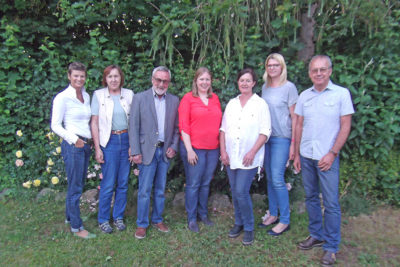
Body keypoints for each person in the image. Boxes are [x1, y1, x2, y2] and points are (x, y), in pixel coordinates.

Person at [293, 55, 354, 266]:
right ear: (310, 73)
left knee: (330, 203)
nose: (318, 73)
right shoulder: (304, 96)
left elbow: (345, 125)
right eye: (314, 70)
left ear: (329, 71)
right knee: (310, 197)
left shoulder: (341, 94)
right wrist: (297, 153)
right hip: (307, 156)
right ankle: (316, 234)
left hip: (326, 158)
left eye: (322, 69)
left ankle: (331, 246)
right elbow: (299, 124)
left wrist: (333, 153)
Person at [220, 68, 271, 246]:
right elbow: (223, 129)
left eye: (248, 80)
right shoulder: (232, 104)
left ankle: (249, 227)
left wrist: (252, 152)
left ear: (254, 83)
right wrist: (223, 152)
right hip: (231, 156)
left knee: (241, 191)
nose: (244, 83)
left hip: (249, 158)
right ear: (238, 82)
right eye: (242, 80)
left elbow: (265, 132)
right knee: (235, 192)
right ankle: (239, 223)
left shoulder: (260, 104)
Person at [129, 66, 179, 239]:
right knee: (144, 190)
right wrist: (135, 151)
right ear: (152, 80)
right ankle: (142, 224)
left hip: (164, 152)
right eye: (158, 79)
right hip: (145, 152)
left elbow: (177, 128)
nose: (161, 83)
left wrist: (174, 146)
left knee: (160, 189)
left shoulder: (174, 101)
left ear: (169, 83)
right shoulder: (139, 98)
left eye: (165, 81)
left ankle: (157, 219)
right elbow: (133, 127)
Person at [51, 62, 96, 239]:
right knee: (76, 187)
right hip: (73, 146)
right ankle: (77, 227)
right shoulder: (62, 97)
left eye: (82, 76)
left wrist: (88, 140)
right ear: (69, 76)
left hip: (84, 145)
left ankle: (70, 217)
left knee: (77, 184)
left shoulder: (85, 95)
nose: (79, 79)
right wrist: (74, 139)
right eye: (75, 75)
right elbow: (55, 125)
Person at [90, 65, 134, 234]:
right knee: (108, 183)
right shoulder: (99, 95)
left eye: (116, 76)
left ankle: (118, 217)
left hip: (126, 140)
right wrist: (97, 148)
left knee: (123, 183)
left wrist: (133, 146)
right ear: (105, 79)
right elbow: (94, 122)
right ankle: (103, 219)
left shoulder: (129, 94)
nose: (113, 80)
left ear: (121, 78)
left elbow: (135, 121)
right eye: (110, 77)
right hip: (109, 142)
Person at [178, 67, 222, 233]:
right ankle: (191, 218)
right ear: (196, 81)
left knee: (205, 183)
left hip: (213, 149)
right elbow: (184, 126)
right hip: (194, 148)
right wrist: (189, 150)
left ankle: (203, 215)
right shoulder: (188, 99)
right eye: (201, 79)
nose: (204, 82)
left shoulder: (215, 99)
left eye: (207, 79)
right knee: (194, 184)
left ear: (211, 81)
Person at [259, 53, 298, 236]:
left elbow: (295, 118)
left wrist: (293, 145)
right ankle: (273, 214)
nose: (272, 68)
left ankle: (285, 220)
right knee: (269, 178)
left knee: (277, 178)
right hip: (266, 139)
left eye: (276, 65)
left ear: (282, 67)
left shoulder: (289, 88)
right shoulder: (264, 88)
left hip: (282, 139)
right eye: (269, 65)